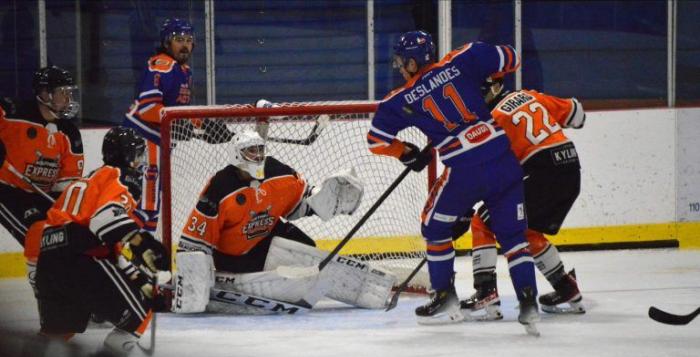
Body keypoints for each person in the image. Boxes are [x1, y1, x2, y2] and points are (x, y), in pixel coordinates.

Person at [367, 30, 539, 334]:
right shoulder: (464, 59)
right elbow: (512, 57)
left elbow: (376, 141)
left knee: (434, 227)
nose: (398, 67)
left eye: (400, 62)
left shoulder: (402, 98)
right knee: (514, 238)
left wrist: (406, 153)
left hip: (465, 172)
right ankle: (528, 302)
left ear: (411, 61)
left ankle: (444, 295)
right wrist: (488, 79)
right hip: (503, 163)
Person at [173, 129, 397, 314]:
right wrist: (194, 283)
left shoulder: (276, 172)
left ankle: (373, 290)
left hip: (267, 236)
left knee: (308, 249)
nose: (258, 156)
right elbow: (195, 243)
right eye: (251, 151)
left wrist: (327, 198)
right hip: (233, 257)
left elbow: (301, 204)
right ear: (237, 155)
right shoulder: (219, 188)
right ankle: (240, 280)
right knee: (290, 277)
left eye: (261, 150)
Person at [30, 126, 170, 357]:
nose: (141, 162)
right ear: (126, 156)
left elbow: (100, 236)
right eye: (138, 155)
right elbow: (104, 221)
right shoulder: (118, 179)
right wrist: (145, 245)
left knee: (57, 333)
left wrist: (134, 272)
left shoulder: (90, 179)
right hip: (80, 260)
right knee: (139, 313)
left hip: (49, 260)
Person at [461, 76, 585, 319]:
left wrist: (461, 206)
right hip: (571, 171)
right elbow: (577, 114)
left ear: (495, 88)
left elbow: (482, 171)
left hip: (543, 174)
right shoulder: (530, 96)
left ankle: (486, 292)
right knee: (526, 230)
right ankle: (567, 289)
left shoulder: (493, 120)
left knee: (482, 221)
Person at [123, 17, 233, 232]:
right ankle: (125, 251)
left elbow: (176, 110)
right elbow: (148, 109)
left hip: (158, 143)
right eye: (178, 39)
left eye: (189, 40)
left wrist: (205, 125)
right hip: (141, 142)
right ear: (166, 42)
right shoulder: (162, 65)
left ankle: (140, 254)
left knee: (152, 206)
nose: (185, 44)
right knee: (146, 205)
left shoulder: (184, 71)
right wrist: (185, 124)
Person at [0, 65, 84, 291]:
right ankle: (45, 292)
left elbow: (66, 185)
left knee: (68, 233)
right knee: (37, 230)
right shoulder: (13, 113)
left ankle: (85, 290)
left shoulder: (70, 133)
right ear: (45, 94)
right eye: (62, 92)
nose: (68, 98)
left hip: (43, 195)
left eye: (69, 92)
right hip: (7, 190)